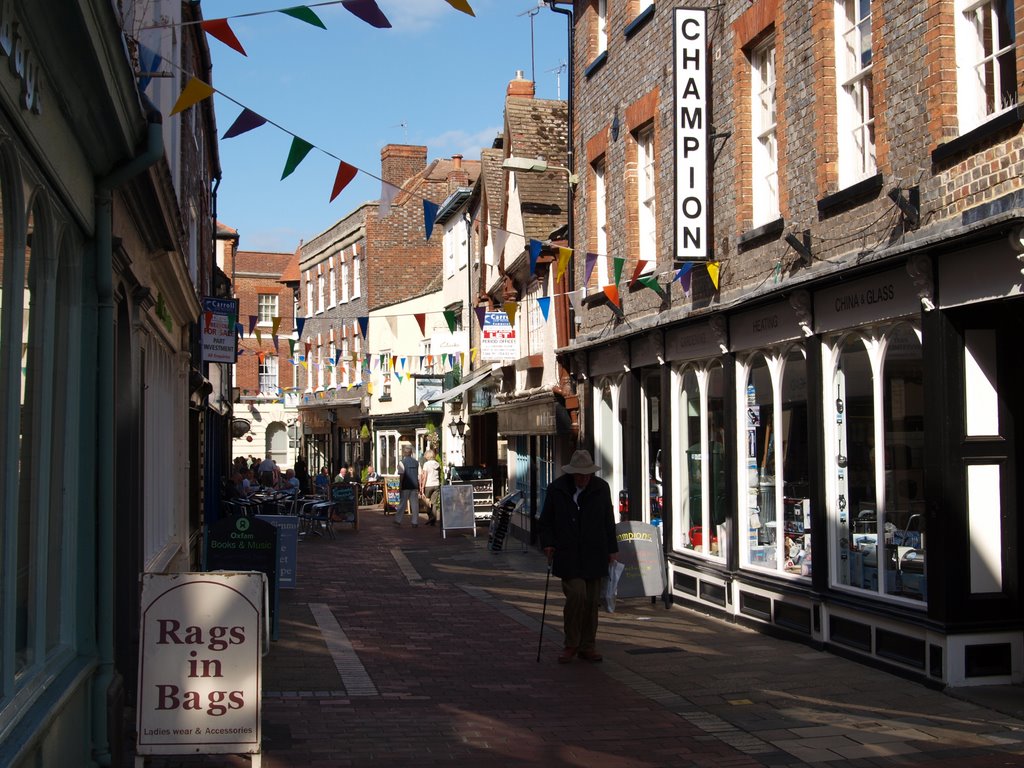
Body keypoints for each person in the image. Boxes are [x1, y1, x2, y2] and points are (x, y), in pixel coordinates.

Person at [539, 449, 618, 664]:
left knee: (592, 601)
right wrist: (548, 543)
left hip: (595, 552)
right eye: (579, 475)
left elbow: (608, 520)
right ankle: (571, 643)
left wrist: (612, 549)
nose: (583, 479)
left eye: (587, 475)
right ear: (572, 473)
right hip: (568, 553)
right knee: (577, 595)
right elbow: (546, 521)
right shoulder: (557, 489)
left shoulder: (601, 488)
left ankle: (587, 646)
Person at [395, 445, 420, 527]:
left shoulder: (402, 462)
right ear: (411, 453)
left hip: (406, 485)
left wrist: (400, 485)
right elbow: (419, 475)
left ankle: (398, 520)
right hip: (414, 485)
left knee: (402, 503)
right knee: (415, 504)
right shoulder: (416, 462)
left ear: (404, 453)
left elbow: (401, 475)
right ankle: (415, 522)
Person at [419, 450, 441, 526]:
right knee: (434, 503)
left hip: (428, 485)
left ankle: (431, 517)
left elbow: (424, 476)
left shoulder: (426, 464)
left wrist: (422, 487)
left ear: (427, 456)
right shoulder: (437, 464)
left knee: (426, 502)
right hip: (436, 484)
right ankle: (433, 519)